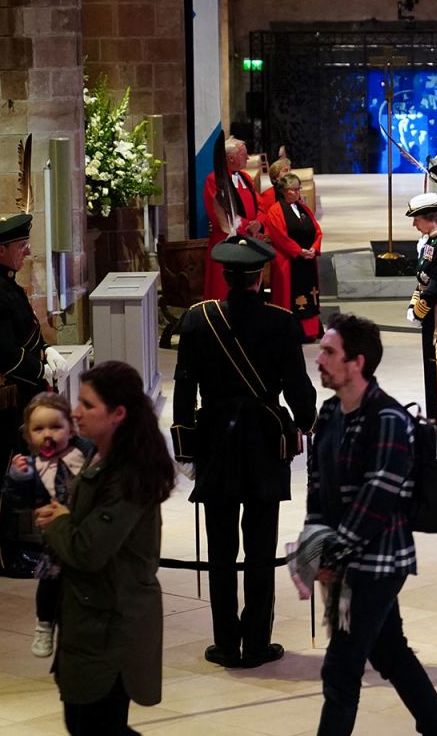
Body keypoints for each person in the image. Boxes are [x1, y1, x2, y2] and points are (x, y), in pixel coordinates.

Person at [172, 236, 317, 669]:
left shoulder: (198, 319)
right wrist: (306, 424)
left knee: (219, 549)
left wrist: (185, 445)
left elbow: (184, 388)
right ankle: (256, 643)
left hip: (216, 440)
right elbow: (298, 389)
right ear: (260, 276)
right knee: (259, 546)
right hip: (262, 442)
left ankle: (224, 643)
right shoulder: (282, 322)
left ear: (227, 275)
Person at [305, 313, 437, 736]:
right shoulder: (330, 413)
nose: (319, 359)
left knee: (341, 667)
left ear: (358, 362)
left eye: (329, 352)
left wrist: (333, 554)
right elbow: (319, 487)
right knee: (389, 651)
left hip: (380, 562)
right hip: (346, 557)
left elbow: (378, 497)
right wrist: (316, 542)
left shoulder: (388, 419)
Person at [34, 361, 175, 735]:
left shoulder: (129, 474)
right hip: (87, 624)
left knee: (97, 727)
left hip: (110, 630)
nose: (75, 412)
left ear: (118, 414)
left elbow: (88, 550)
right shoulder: (97, 456)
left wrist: (59, 520)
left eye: (87, 404)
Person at [0, 212, 66, 577]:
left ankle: (14, 548)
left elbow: (28, 330)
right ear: (0, 249)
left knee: (18, 478)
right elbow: (3, 355)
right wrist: (40, 369)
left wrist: (46, 350)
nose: (26, 250)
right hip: (3, 402)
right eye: (21, 245)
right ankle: (1, 557)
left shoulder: (7, 284)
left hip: (19, 401)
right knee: (3, 482)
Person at [3, 392, 90, 658]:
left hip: (86, 536)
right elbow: (17, 503)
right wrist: (18, 477)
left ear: (71, 429)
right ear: (28, 436)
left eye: (56, 427)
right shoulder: (33, 466)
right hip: (54, 542)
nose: (47, 434)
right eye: (39, 429)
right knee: (50, 584)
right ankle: (44, 626)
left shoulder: (85, 453)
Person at [405, 191, 437, 425]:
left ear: (430, 218)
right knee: (431, 375)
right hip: (430, 318)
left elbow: (434, 289)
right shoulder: (431, 242)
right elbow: (423, 282)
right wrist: (413, 303)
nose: (414, 223)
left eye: (417, 219)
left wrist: (418, 312)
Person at [203, 137, 265, 301]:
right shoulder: (214, 180)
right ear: (231, 158)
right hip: (227, 243)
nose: (248, 158)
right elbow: (221, 214)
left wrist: (259, 222)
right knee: (224, 293)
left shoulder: (246, 177)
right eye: (244, 154)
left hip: (249, 242)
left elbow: (261, 204)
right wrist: (247, 227)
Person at [265, 172, 324, 341]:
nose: (298, 192)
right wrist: (299, 251)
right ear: (284, 191)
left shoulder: (303, 208)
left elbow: (317, 230)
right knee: (290, 297)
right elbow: (280, 236)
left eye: (299, 189)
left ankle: (310, 330)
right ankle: (291, 331)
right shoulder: (275, 211)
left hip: (308, 261)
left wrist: (314, 248)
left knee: (310, 295)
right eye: (294, 190)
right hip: (288, 262)